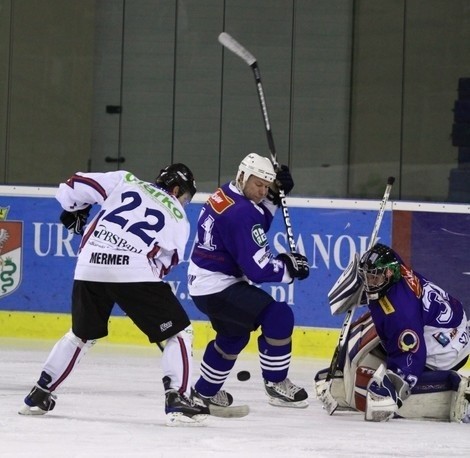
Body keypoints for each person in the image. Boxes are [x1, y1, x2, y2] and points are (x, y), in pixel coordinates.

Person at [18, 164, 213, 426]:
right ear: (176, 189)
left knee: (80, 335)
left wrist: (75, 208)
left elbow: (74, 184)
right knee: (178, 333)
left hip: (89, 265)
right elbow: (167, 262)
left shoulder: (126, 180)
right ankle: (177, 398)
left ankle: (40, 393)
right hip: (133, 271)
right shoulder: (177, 214)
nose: (184, 202)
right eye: (185, 196)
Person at [187, 152, 310, 409]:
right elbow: (258, 270)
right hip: (218, 286)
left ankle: (203, 393)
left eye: (267, 186)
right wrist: (289, 267)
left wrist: (275, 196)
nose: (263, 191)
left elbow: (256, 219)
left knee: (234, 335)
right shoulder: (240, 213)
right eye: (259, 184)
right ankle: (276, 383)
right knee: (278, 315)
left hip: (205, 283)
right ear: (242, 175)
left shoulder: (228, 193)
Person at [315, 243, 470, 422]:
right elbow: (381, 258)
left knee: (401, 358)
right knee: (367, 325)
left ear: (388, 274)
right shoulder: (394, 268)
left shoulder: (401, 313)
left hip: (447, 346)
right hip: (450, 321)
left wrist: (393, 387)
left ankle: (455, 386)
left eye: (374, 278)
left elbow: (412, 353)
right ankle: (343, 371)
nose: (369, 283)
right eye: (367, 277)